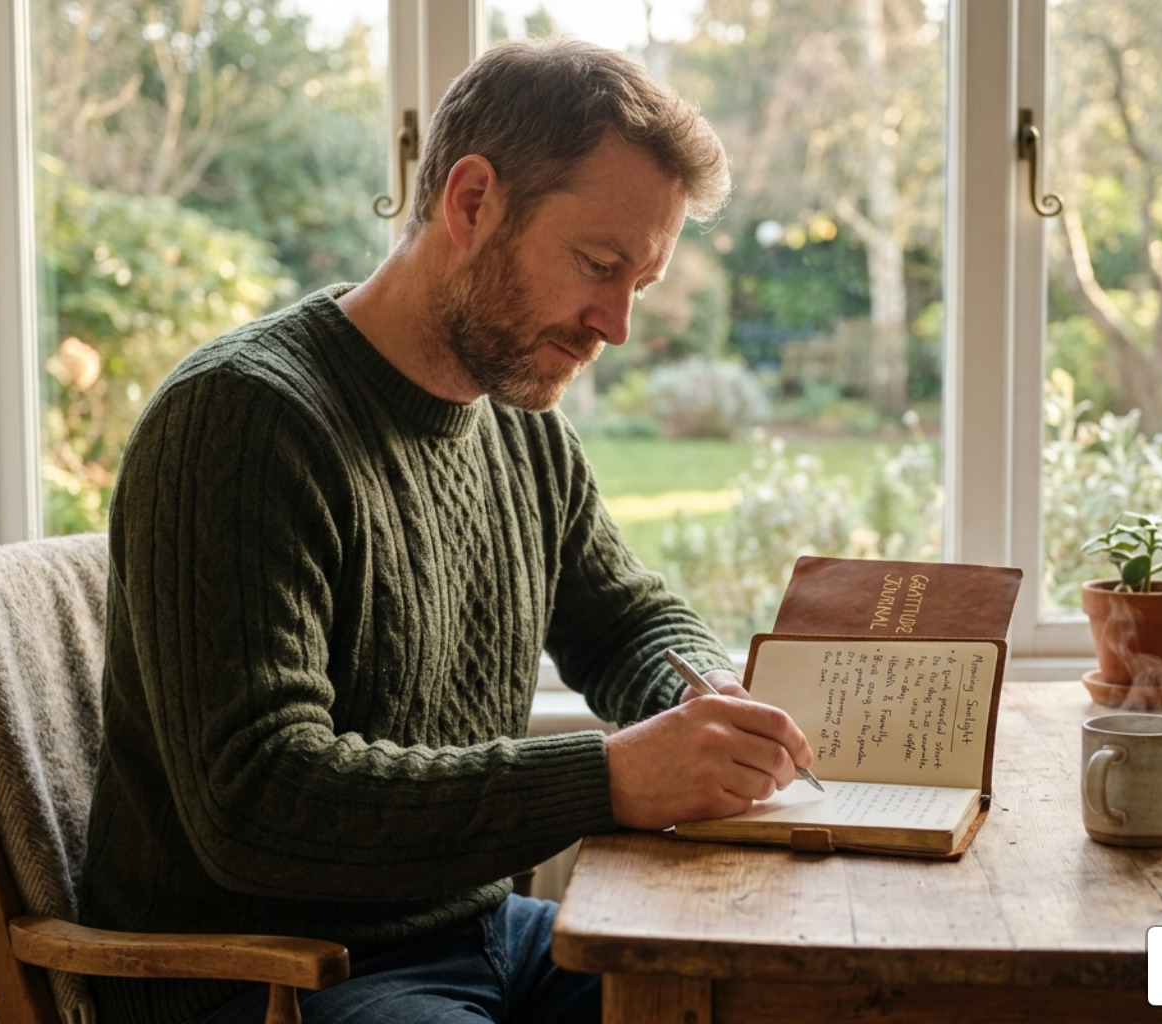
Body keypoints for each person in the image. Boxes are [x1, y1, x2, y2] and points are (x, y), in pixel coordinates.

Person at [77, 36, 815, 1024]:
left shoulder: (522, 428)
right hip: (266, 977)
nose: (616, 325)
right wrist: (610, 777)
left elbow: (625, 620)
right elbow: (259, 801)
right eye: (598, 265)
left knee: (781, 991)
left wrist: (706, 693)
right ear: (471, 203)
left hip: (477, 936)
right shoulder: (244, 423)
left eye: (638, 284)